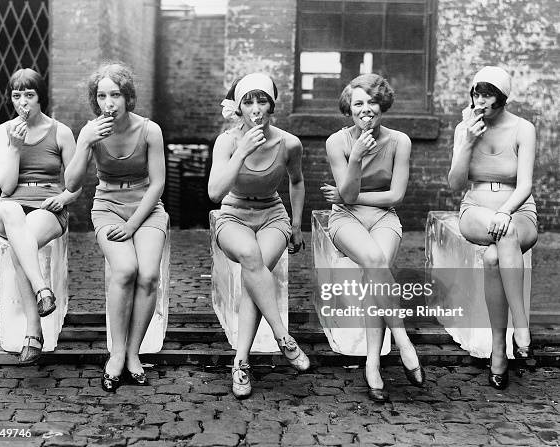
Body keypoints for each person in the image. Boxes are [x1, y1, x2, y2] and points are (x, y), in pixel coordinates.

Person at [65, 62, 167, 392]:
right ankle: (117, 353)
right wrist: (84, 143)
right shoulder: (90, 131)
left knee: (148, 275)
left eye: (116, 95)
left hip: (147, 209)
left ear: (127, 97)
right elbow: (71, 183)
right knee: (125, 270)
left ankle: (134, 353)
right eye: (102, 96)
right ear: (96, 101)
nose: (109, 102)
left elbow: (157, 185)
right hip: (107, 205)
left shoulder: (150, 130)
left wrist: (134, 223)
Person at [322, 73, 424, 402]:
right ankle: (402, 340)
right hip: (345, 220)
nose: (366, 108)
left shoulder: (400, 141)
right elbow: (347, 196)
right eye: (358, 103)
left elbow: (395, 196)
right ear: (349, 110)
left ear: (383, 105)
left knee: (373, 271)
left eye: (372, 102)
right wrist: (355, 158)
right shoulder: (337, 142)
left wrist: (346, 196)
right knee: (376, 261)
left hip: (384, 218)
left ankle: (372, 363)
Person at [209, 73, 309, 399]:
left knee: (256, 274)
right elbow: (214, 192)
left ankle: (240, 363)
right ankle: (284, 336)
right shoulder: (226, 141)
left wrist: (295, 225)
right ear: (238, 107)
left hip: (272, 216)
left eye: (262, 100)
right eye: (248, 101)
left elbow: (296, 181)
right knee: (253, 260)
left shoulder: (289, 143)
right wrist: (240, 152)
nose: (256, 108)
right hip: (233, 215)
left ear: (272, 105)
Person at [448, 66, 537, 389]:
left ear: (502, 99)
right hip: (475, 210)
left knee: (493, 257)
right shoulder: (466, 127)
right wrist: (468, 140)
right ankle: (522, 330)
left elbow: (525, 184)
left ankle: (500, 350)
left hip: (518, 210)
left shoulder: (523, 129)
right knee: (505, 233)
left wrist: (505, 211)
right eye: (476, 94)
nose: (481, 102)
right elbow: (456, 184)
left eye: (488, 96)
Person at [0, 68, 81, 364]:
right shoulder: (4, 132)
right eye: (16, 96)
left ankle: (34, 331)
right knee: (12, 210)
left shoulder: (62, 132)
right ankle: (43, 289)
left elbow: (75, 186)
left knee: (21, 245)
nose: (23, 103)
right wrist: (15, 148)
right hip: (10, 205)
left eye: (29, 95)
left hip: (46, 205)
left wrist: (64, 197)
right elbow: (5, 186)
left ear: (41, 98)